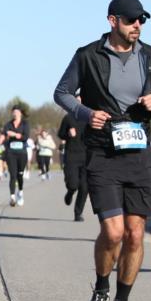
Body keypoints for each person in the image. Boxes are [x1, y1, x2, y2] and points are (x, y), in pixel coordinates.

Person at [54, 0, 151, 301]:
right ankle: (100, 291)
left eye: (141, 20)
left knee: (135, 234)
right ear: (113, 21)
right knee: (113, 232)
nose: (137, 25)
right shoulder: (87, 55)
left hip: (139, 156)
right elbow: (61, 92)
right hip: (103, 154)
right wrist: (85, 113)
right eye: (131, 20)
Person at [58, 93, 89, 221]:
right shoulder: (68, 118)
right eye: (77, 101)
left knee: (85, 188)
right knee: (73, 184)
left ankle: (78, 213)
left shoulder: (89, 118)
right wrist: (67, 134)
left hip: (86, 156)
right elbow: (60, 134)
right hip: (71, 156)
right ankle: (70, 192)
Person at [0, 106, 30, 207]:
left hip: (22, 153)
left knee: (20, 175)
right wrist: (1, 139)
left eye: (17, 112)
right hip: (11, 152)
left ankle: (20, 192)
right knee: (13, 175)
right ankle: (12, 197)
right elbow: (4, 133)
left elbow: (25, 137)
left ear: (20, 113)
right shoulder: (8, 124)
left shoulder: (25, 124)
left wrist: (15, 135)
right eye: (13, 112)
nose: (15, 113)